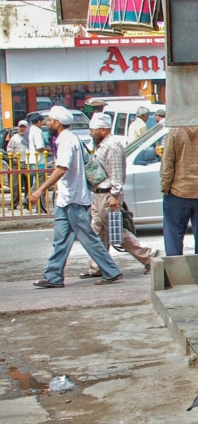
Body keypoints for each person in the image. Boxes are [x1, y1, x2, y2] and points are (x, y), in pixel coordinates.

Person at [29, 107, 122, 288]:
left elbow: (62, 169)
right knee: (61, 239)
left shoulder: (66, 141)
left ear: (57, 122)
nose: (47, 123)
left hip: (73, 198)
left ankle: (111, 270)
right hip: (68, 198)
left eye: (49, 120)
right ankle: (53, 276)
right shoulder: (69, 138)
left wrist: (40, 190)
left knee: (87, 237)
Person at [82, 113, 161, 278]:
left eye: (93, 130)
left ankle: (149, 256)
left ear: (103, 130)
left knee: (116, 232)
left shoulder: (113, 145)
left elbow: (117, 174)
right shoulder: (102, 145)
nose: (91, 133)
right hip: (98, 194)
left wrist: (115, 195)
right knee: (98, 231)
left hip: (108, 195)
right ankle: (97, 266)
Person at [160, 125, 198, 256]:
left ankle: (176, 271)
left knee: (173, 236)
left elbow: (167, 163)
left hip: (177, 191)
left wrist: (165, 187)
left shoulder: (174, 133)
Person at [25, 112, 48, 213]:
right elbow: (40, 147)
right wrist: (48, 150)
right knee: (40, 184)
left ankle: (39, 207)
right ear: (39, 121)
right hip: (39, 160)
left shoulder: (29, 129)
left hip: (31, 160)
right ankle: (27, 199)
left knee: (37, 182)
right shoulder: (38, 131)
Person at [6, 120, 29, 209]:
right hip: (17, 163)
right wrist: (12, 154)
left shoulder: (30, 137)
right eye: (21, 127)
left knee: (29, 185)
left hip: (28, 163)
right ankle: (14, 204)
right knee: (15, 185)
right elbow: (9, 149)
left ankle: (28, 203)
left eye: (24, 127)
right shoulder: (14, 138)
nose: (22, 129)